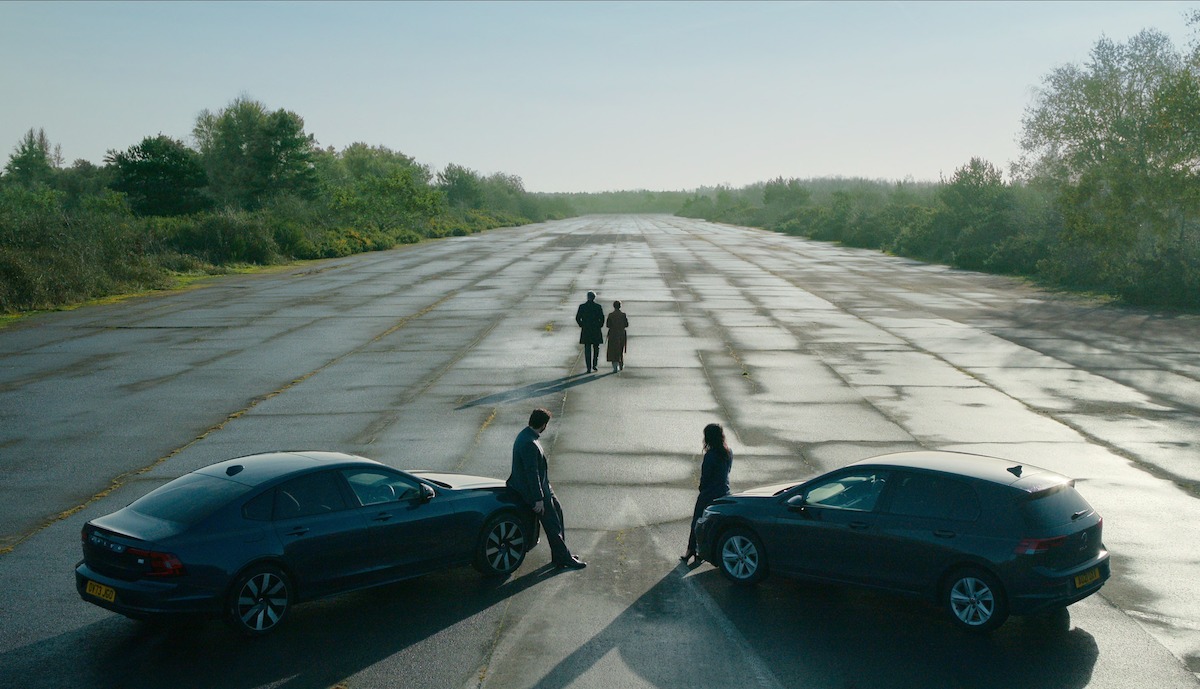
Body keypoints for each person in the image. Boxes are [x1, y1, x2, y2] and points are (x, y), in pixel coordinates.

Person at [507, 408, 587, 570]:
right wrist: (538, 499)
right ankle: (563, 558)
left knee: (557, 511)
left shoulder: (526, 436)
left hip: (544, 488)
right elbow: (532, 473)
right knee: (552, 525)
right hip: (536, 493)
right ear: (544, 425)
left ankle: (560, 554)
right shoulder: (529, 443)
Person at [682, 423, 733, 565]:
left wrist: (701, 488)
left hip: (709, 494)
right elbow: (727, 472)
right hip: (724, 492)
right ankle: (703, 553)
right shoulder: (729, 452)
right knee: (713, 524)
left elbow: (705, 477)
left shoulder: (710, 455)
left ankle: (691, 550)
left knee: (697, 522)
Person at [575, 291, 605, 373]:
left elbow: (578, 318)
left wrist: (582, 325)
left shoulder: (582, 306)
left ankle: (588, 367)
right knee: (596, 348)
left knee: (587, 349)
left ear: (587, 297)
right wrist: (599, 326)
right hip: (595, 329)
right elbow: (602, 318)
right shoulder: (598, 307)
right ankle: (594, 365)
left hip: (586, 330)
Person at [605, 300, 629, 373]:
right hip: (621, 333)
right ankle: (621, 363)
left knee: (613, 349)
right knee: (620, 349)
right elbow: (626, 324)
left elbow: (608, 325)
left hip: (613, 333)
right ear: (620, 306)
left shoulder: (611, 315)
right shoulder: (623, 315)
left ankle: (615, 366)